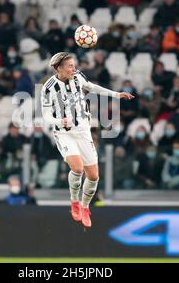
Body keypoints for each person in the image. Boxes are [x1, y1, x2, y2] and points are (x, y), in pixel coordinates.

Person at [41, 52, 135, 228]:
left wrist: (116, 94)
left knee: (93, 176)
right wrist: (60, 121)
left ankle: (85, 207)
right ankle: (74, 202)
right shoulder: (49, 88)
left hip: (83, 131)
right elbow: (46, 116)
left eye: (73, 65)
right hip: (64, 132)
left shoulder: (77, 77)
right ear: (58, 68)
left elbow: (92, 87)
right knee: (77, 169)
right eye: (69, 66)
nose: (73, 68)